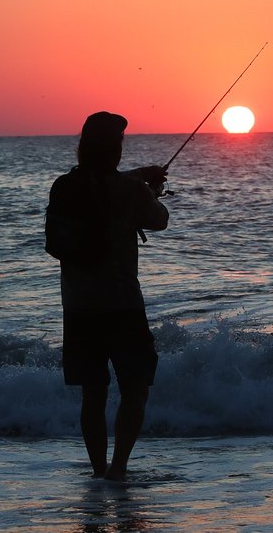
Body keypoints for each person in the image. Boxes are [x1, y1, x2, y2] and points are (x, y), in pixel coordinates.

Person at [45, 111, 169, 480]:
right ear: (115, 148)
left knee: (93, 395)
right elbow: (159, 219)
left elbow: (59, 233)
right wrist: (148, 189)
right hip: (123, 305)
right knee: (135, 389)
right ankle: (119, 468)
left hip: (79, 306)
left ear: (83, 146)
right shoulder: (130, 191)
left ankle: (98, 470)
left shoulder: (64, 187)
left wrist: (137, 179)